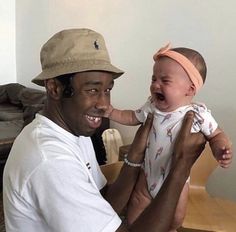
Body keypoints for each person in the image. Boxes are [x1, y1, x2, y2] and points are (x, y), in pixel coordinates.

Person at [3, 29, 206, 232]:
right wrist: (181, 167)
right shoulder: (49, 160)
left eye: (107, 90)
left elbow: (106, 201)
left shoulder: (74, 132)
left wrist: (136, 151)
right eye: (92, 90)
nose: (103, 104)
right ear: (55, 88)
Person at [105, 43, 233, 231]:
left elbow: (216, 134)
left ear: (189, 90)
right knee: (136, 207)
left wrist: (221, 149)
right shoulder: (151, 107)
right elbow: (132, 117)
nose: (155, 85)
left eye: (165, 81)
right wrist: (111, 112)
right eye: (153, 78)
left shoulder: (197, 114)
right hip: (148, 174)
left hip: (176, 181)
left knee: (176, 218)